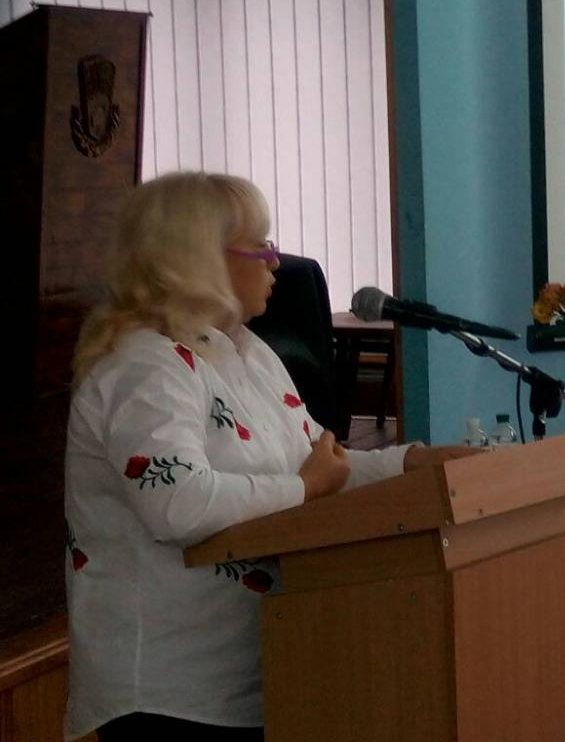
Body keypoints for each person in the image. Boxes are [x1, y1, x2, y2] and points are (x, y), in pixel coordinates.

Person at [64, 172, 476, 741]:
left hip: (259, 664)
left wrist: (413, 465)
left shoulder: (243, 350)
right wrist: (304, 488)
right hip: (170, 690)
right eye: (260, 245)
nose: (275, 262)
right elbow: (180, 504)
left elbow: (319, 465)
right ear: (200, 259)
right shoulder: (143, 367)